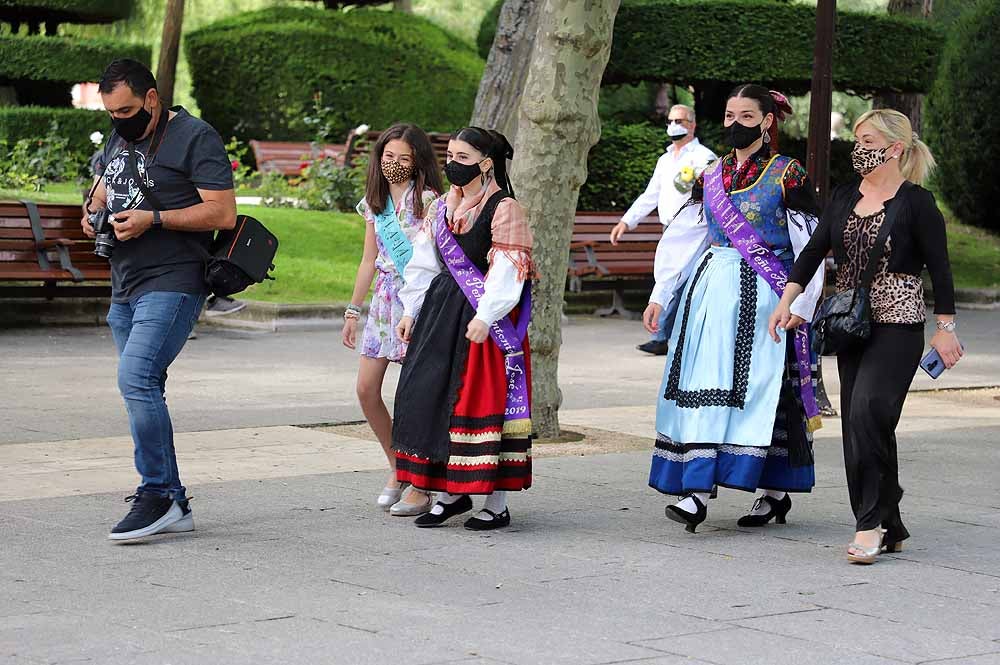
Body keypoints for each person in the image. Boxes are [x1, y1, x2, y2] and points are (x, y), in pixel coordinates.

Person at [771, 109, 962, 563]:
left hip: (899, 323)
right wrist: (789, 302)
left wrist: (945, 330)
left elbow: (941, 268)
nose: (858, 146)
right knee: (869, 426)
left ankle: (869, 522)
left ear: (894, 148)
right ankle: (890, 522)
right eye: (856, 137)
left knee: (866, 414)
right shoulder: (841, 196)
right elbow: (814, 252)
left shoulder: (917, 202)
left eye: (868, 138)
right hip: (850, 323)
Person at [643, 84, 826, 532]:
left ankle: (774, 492)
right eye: (729, 116)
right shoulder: (711, 174)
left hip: (769, 295)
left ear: (767, 122)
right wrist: (660, 292)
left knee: (764, 391)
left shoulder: (788, 173)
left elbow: (811, 242)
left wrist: (801, 301)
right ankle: (696, 491)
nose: (735, 124)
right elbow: (687, 233)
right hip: (710, 294)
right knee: (704, 383)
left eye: (746, 116)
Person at [81, 59, 237, 541]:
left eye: (126, 109)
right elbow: (104, 186)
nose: (119, 120)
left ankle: (156, 494)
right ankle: (172, 500)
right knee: (143, 388)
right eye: (111, 112)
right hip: (125, 282)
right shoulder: (120, 136)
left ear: (152, 98)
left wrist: (155, 218)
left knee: (136, 377)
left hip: (175, 279)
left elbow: (223, 212)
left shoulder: (196, 136)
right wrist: (93, 212)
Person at [392, 126, 533, 531]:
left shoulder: (505, 208)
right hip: (439, 312)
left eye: (463, 158)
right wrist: (409, 311)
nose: (453, 164)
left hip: (483, 321)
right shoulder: (441, 208)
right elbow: (423, 263)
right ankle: (450, 494)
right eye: (450, 155)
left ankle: (495, 503)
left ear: (486, 164)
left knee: (479, 402)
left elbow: (508, 271)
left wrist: (485, 316)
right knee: (432, 396)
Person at [344, 124, 443, 517]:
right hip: (383, 301)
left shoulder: (432, 201)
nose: (394, 164)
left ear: (417, 160)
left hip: (416, 300)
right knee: (366, 389)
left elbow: (431, 260)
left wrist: (415, 308)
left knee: (413, 398)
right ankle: (397, 465)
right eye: (388, 157)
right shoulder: (375, 202)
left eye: (403, 158)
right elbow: (368, 260)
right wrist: (353, 310)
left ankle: (421, 481)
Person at [610, 104, 717, 355]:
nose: (674, 125)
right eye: (670, 120)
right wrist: (627, 221)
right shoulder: (665, 159)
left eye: (679, 120)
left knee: (683, 281)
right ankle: (662, 335)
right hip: (669, 228)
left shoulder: (704, 157)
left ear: (692, 125)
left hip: (696, 230)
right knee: (670, 279)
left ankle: (665, 336)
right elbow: (651, 194)